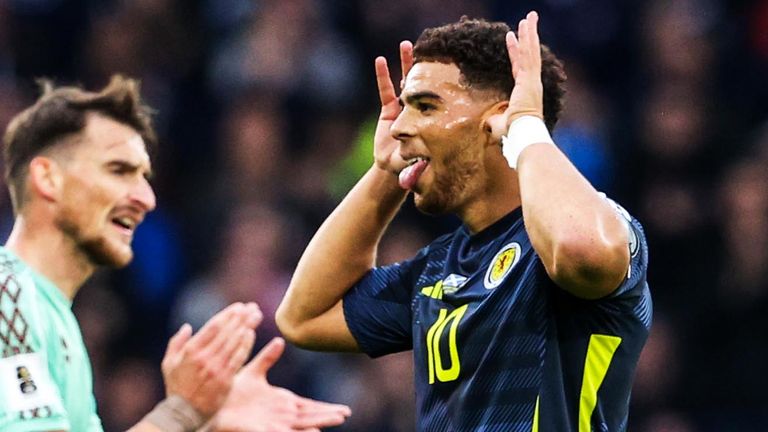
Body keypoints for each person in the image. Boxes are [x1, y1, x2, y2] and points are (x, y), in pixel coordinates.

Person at [277, 11, 651, 431]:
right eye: (404, 109)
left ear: (498, 118)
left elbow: (581, 251)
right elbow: (303, 317)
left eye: (424, 106)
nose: (399, 126)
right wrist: (385, 173)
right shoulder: (438, 268)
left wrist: (526, 130)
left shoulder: (602, 224)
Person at [0, 75, 351, 431]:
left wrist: (200, 422)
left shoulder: (51, 317)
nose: (145, 199)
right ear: (48, 179)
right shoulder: (8, 296)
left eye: (144, 177)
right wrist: (183, 412)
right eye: (118, 170)